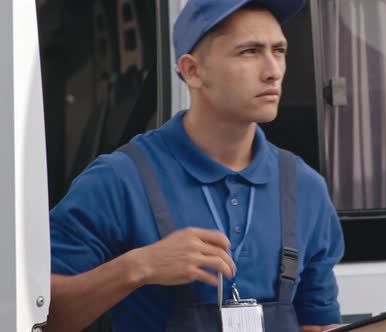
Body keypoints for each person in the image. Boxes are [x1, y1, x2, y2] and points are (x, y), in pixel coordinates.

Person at [46, 0, 345, 331]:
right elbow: (42, 319)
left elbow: (318, 323)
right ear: (192, 70)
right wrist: (137, 267)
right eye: (249, 51)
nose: (272, 69)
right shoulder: (118, 180)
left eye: (279, 50)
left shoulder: (305, 186)